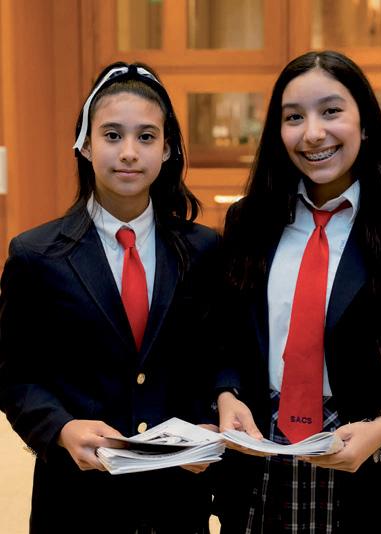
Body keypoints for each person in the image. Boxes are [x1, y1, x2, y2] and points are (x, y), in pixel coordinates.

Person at [213, 50, 381, 534]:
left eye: (331, 111)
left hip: (358, 460)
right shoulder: (247, 223)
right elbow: (225, 336)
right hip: (258, 452)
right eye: (294, 117)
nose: (313, 133)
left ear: (365, 124)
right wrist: (226, 394)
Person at [0, 61, 220, 533]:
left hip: (176, 499)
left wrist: (209, 422)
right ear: (85, 144)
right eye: (113, 135)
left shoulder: (204, 250)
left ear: (167, 149)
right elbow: (15, 375)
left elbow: (217, 358)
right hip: (77, 501)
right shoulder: (36, 255)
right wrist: (61, 428)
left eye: (146, 137)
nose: (129, 153)